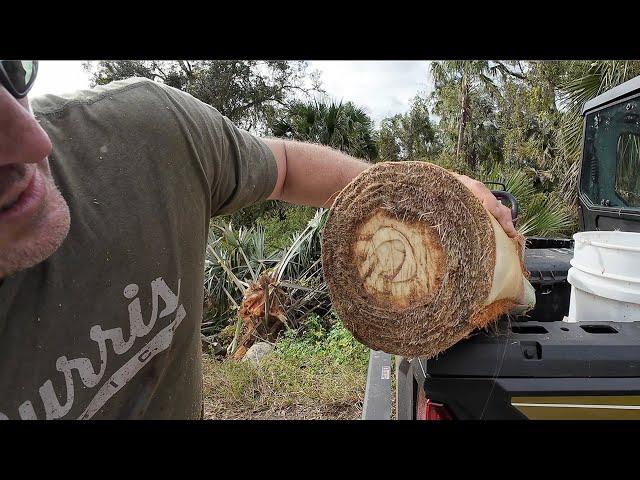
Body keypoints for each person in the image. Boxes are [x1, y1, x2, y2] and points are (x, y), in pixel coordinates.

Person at [0, 60, 517, 420]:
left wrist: (427, 195)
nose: (33, 140)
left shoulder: (143, 136)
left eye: (11, 71)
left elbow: (287, 166)